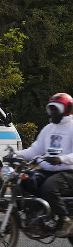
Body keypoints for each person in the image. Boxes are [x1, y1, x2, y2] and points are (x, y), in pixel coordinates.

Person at [14, 93, 73, 237]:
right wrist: (16, 155)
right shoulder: (48, 129)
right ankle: (37, 218)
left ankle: (65, 220)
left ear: (66, 109)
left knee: (49, 187)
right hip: (48, 171)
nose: (52, 112)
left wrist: (61, 159)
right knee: (24, 180)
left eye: (56, 109)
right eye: (50, 108)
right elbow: (35, 150)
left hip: (68, 172)